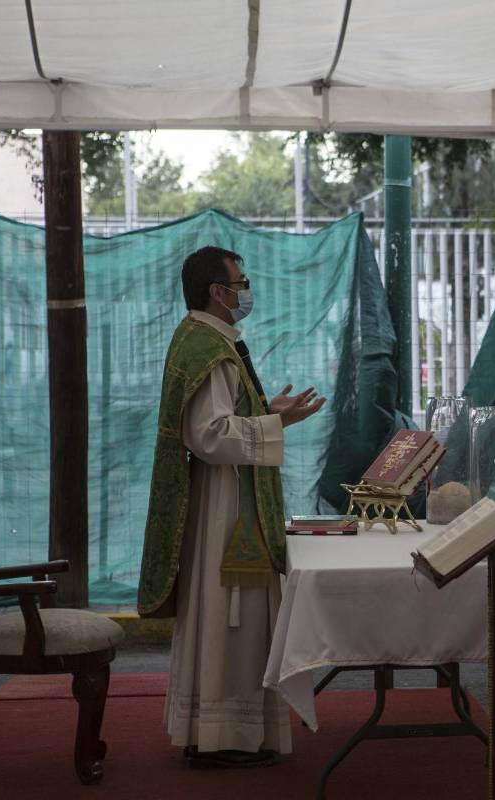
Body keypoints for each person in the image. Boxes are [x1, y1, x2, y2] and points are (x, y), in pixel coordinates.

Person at [138, 246, 326, 767]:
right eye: (240, 283)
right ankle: (227, 735)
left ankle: (216, 730)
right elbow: (209, 436)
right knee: (232, 618)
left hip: (225, 497)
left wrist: (266, 411)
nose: (247, 291)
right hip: (227, 507)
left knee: (227, 616)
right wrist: (275, 425)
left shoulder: (206, 339)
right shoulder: (209, 348)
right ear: (218, 293)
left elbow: (218, 422)